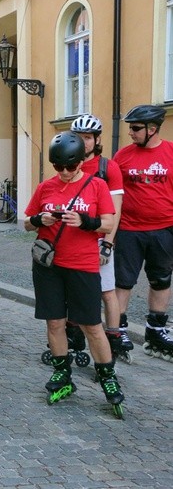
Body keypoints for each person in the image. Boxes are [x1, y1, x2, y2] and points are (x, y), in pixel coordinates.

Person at [24, 132, 124, 418]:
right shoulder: (45, 187)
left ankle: (107, 376)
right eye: (59, 167)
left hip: (83, 265)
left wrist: (84, 221)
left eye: (70, 166)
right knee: (55, 322)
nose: (65, 173)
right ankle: (62, 374)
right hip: (49, 267)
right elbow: (26, 224)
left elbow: (107, 224)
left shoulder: (96, 186)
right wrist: (37, 219)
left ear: (82, 161)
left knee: (91, 324)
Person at [113, 105, 173, 362]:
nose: (130, 132)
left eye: (136, 128)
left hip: (165, 229)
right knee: (123, 282)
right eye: (129, 127)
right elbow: (111, 195)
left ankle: (156, 331)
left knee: (161, 279)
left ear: (152, 129)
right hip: (129, 229)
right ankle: (117, 330)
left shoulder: (171, 152)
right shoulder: (122, 157)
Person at [70, 114, 131, 363]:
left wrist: (107, 243)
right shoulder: (70, 163)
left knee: (106, 292)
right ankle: (75, 337)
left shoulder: (108, 167)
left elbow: (115, 210)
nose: (84, 143)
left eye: (88, 138)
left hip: (99, 238)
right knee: (74, 290)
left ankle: (113, 340)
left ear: (97, 140)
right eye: (79, 137)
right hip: (73, 238)